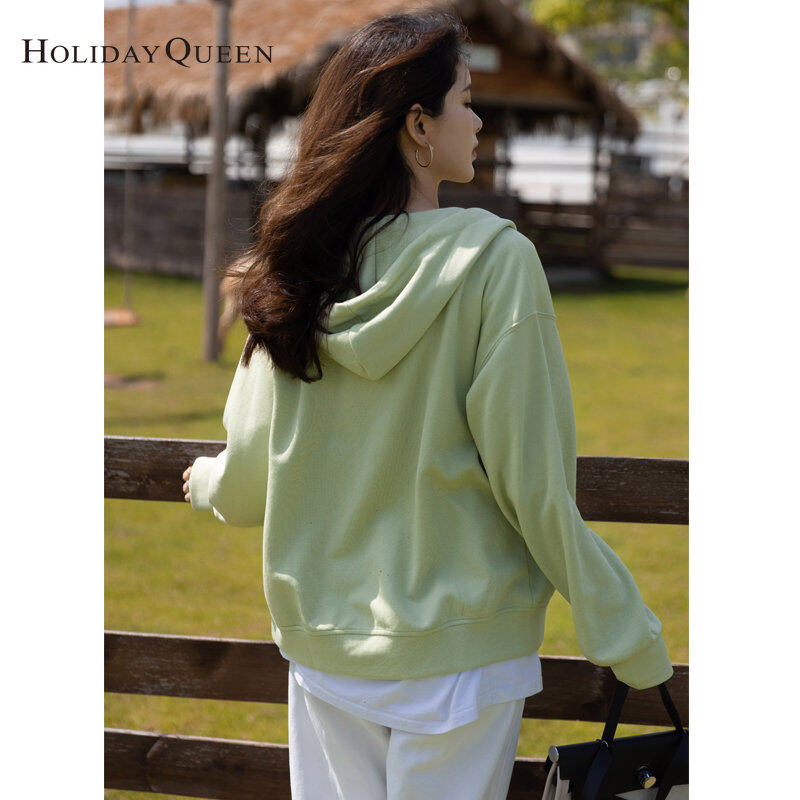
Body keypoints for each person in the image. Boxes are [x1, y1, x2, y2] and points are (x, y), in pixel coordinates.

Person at [181, 10, 674, 800]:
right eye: (466, 101)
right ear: (418, 124)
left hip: (328, 654)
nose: (479, 122)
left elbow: (244, 487)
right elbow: (532, 484)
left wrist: (206, 480)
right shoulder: (495, 263)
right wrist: (624, 631)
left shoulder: (295, 272)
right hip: (462, 664)